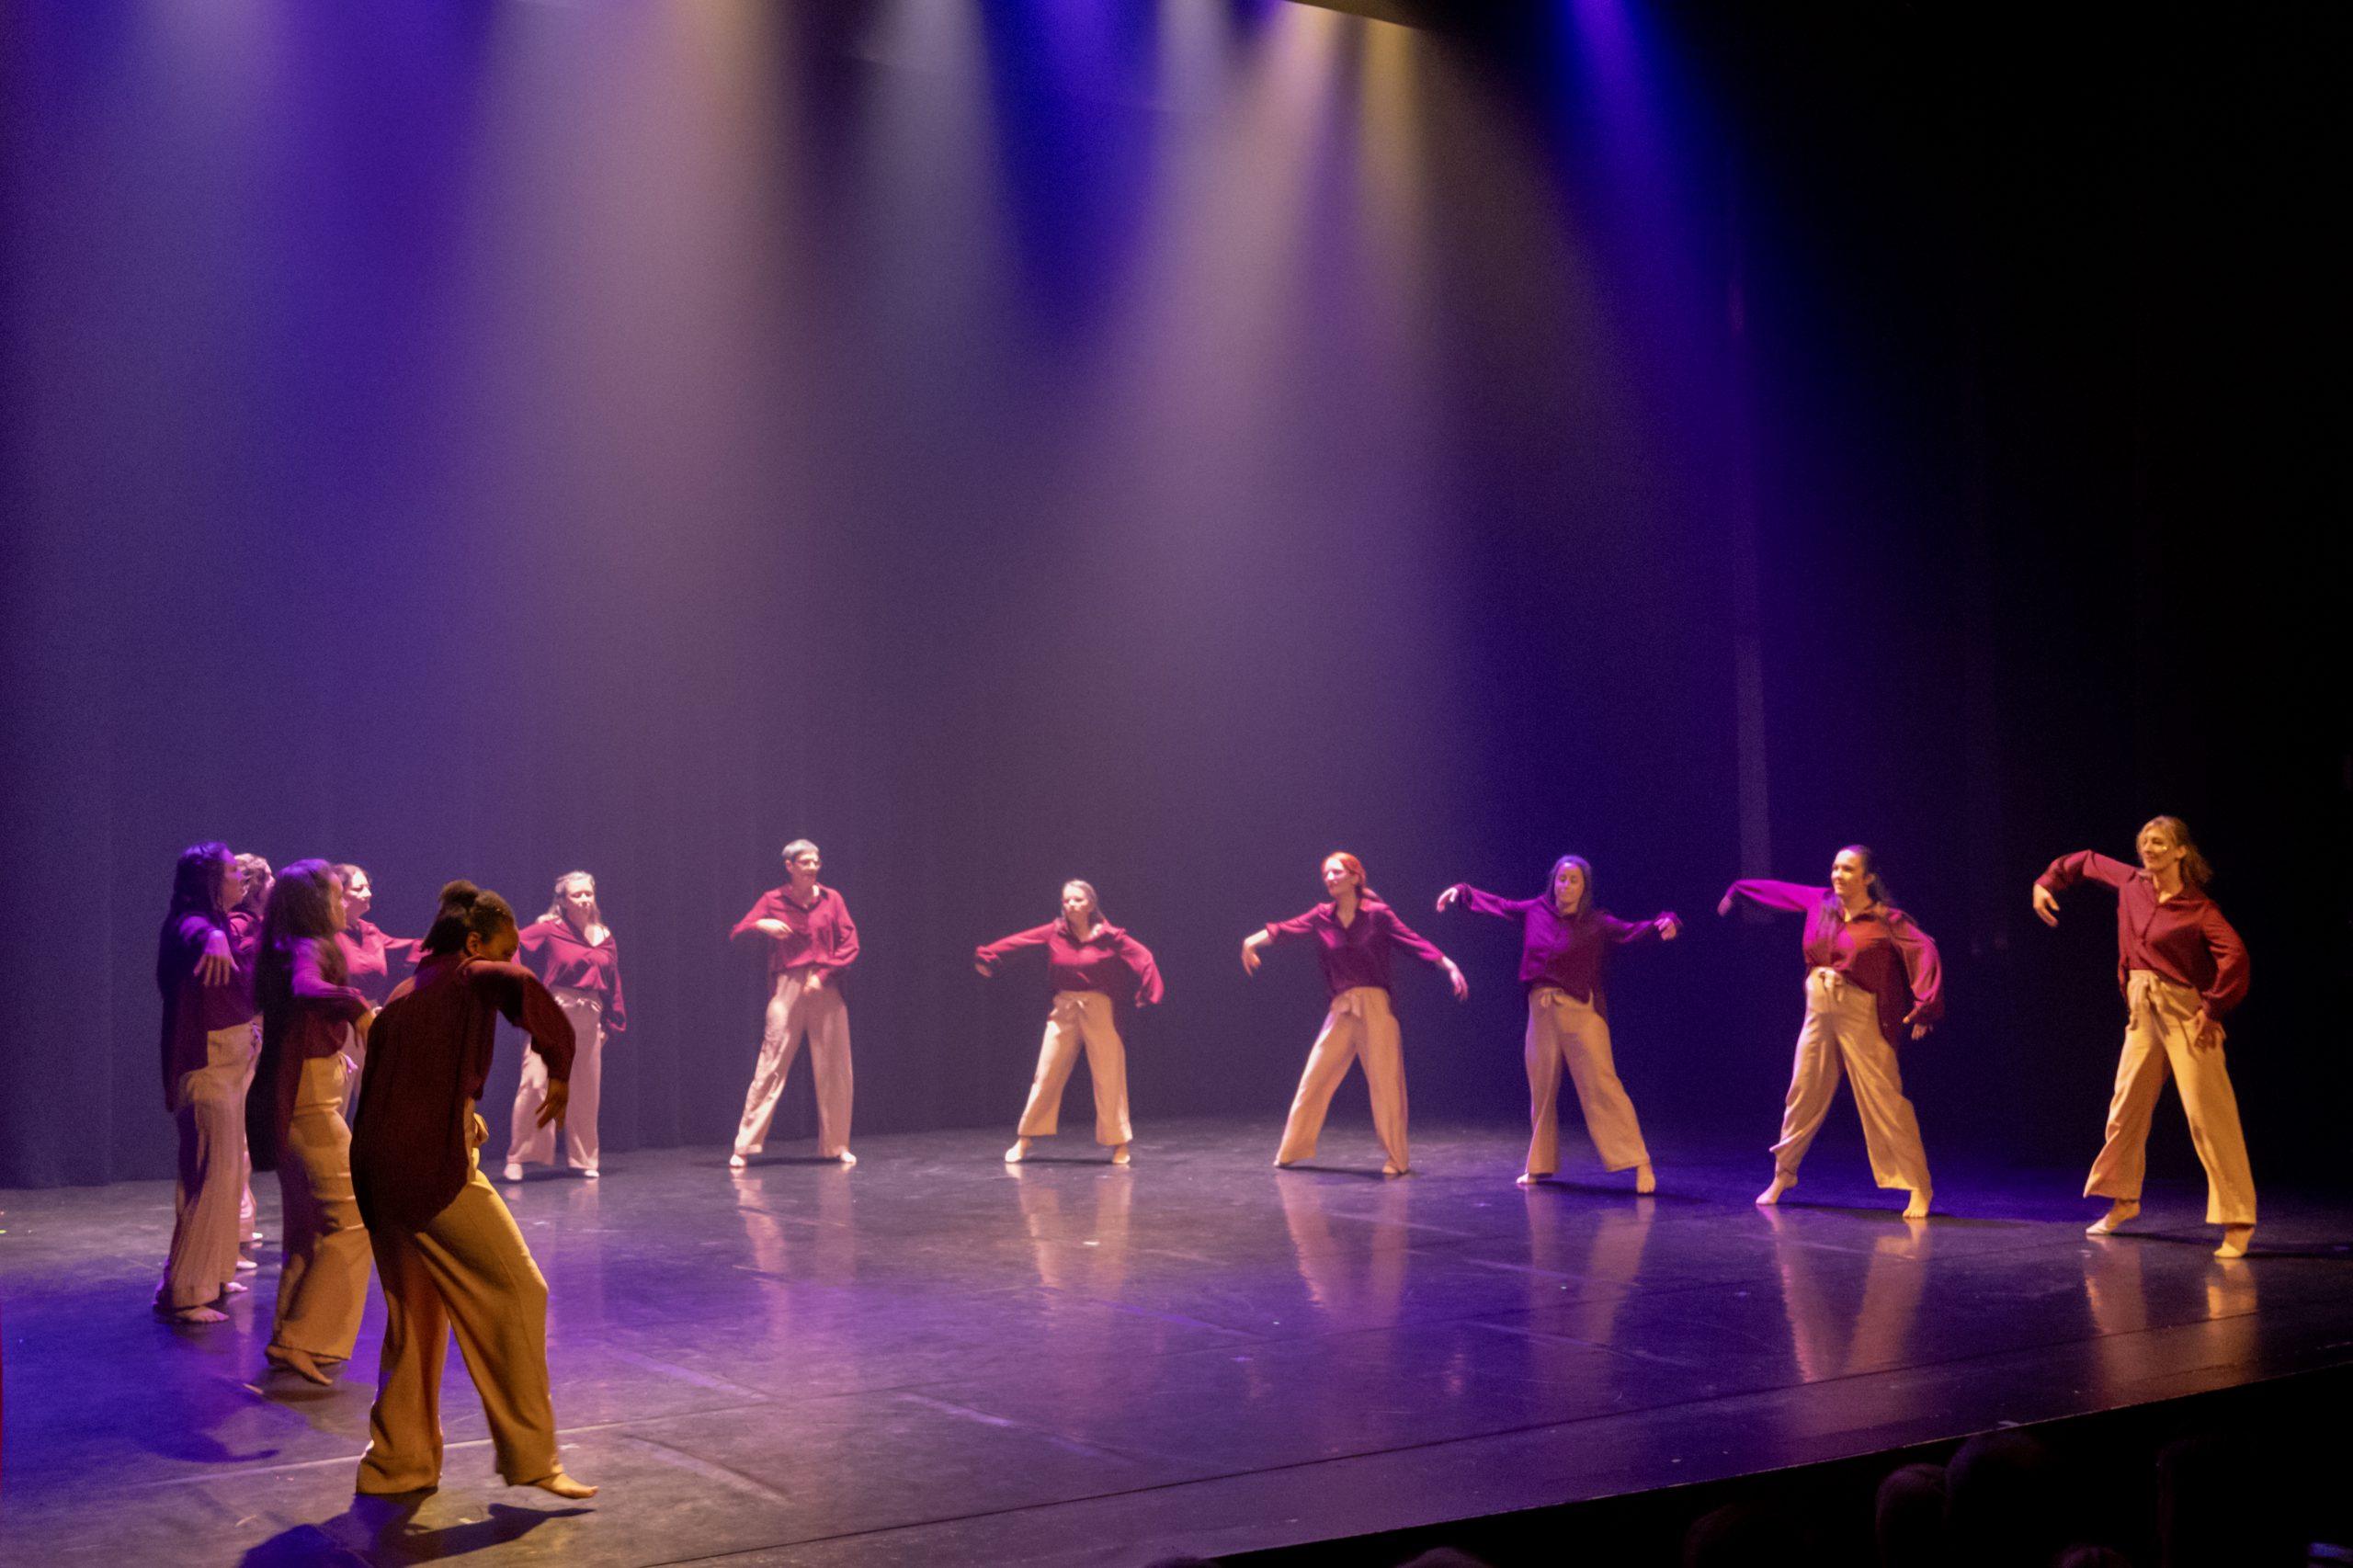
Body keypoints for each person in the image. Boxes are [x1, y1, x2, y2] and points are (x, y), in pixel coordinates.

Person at [348, 881, 593, 1500]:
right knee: (519, 1290)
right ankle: (533, 1458)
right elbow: (516, 984)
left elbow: (397, 1089)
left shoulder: (405, 993)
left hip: (379, 1172)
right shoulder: (467, 976)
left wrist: (460, 1114)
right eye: (504, 949)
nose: (511, 960)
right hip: (429, 1169)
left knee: (415, 1319)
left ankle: (397, 1465)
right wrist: (560, 1064)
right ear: (475, 944)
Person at [2034, 816, 2255, 1257]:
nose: (2149, 849)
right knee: (2126, 1105)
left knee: (2207, 1114)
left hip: (2185, 1012)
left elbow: (2236, 956)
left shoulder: (2198, 908)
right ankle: (2124, 1200)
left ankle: (2237, 1220)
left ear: (2180, 852)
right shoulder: (2131, 883)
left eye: (2159, 843)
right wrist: (2047, 882)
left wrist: (2212, 1007)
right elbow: (2086, 861)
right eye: (2145, 842)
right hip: (2141, 1008)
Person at [1719, 846, 1941, 1219]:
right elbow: (1779, 892)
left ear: (1868, 878)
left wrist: (1925, 1006)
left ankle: (1918, 1186)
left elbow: (1925, 950)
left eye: (1848, 869)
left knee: (1884, 1100)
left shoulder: (1886, 919)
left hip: (1861, 1014)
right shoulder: (1820, 902)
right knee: (1802, 1094)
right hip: (1818, 1012)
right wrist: (1738, 891)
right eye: (1835, 867)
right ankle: (1784, 1174)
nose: (1837, 875)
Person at [1438, 856, 1678, 1191]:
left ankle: (1639, 1163)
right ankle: (1539, 1165)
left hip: (1580, 1012)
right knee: (1541, 1088)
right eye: (1561, 879)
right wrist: (1464, 893)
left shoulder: (1596, 922)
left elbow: (1633, 931)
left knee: (1602, 1087)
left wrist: (1666, 922)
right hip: (1541, 1011)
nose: (1565, 885)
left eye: (1573, 880)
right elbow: (1501, 906)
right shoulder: (1536, 910)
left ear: (1584, 887)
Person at [1243, 852, 1467, 1176]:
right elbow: (1285, 929)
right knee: (1314, 1078)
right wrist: (1251, 942)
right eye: (1326, 874)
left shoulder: (1377, 915)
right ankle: (1291, 1150)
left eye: (1336, 872)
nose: (1330, 878)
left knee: (1386, 1084)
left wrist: (1449, 966)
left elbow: (1412, 941)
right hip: (1342, 1008)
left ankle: (1397, 1160)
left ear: (1355, 876)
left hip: (1375, 1006)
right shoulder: (1322, 916)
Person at [254, 859, 378, 1383]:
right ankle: (304, 1337)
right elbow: (307, 986)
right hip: (308, 1101)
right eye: (334, 893)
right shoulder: (309, 946)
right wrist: (355, 1004)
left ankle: (291, 1335)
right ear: (314, 903)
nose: (342, 902)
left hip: (300, 1093)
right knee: (353, 1217)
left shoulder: (287, 943)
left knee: (308, 1226)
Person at [977, 881, 1163, 1166]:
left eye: (1077, 900)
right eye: (1066, 901)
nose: (1071, 905)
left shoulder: (1110, 937)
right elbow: (1020, 941)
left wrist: (1148, 992)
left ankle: (1119, 1143)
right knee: (1046, 1073)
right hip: (1064, 1007)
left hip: (1099, 1008)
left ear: (1091, 904)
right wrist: (989, 957)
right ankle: (1025, 1139)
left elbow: (1144, 958)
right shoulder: (1055, 932)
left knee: (1109, 1075)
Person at [153, 843, 257, 1324]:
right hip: (207, 1065)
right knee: (210, 1174)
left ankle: (211, 1273)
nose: (241, 877)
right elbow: (192, 931)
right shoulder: (191, 925)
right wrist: (212, 937)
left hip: (229, 1064)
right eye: (233, 870)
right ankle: (185, 1292)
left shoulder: (221, 923)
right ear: (211, 880)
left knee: (225, 1173)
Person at [729, 839, 859, 1169]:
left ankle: (837, 1145)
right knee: (770, 1064)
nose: (813, 867)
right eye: (805, 862)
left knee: (835, 1068)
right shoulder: (773, 900)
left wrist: (824, 975)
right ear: (789, 866)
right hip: (788, 986)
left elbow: (850, 943)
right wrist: (762, 925)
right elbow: (738, 933)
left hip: (825, 986)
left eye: (816, 861)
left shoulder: (832, 899)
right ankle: (744, 1145)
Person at [504, 872, 626, 1182]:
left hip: (591, 1015)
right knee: (535, 1082)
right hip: (555, 1012)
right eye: (577, 895)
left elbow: (613, 982)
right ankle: (519, 1156)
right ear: (563, 901)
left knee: (585, 1091)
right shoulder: (551, 929)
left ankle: (583, 1159)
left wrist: (611, 1023)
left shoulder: (605, 936)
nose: (584, 900)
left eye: (588, 894)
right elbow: (512, 944)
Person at [333, 863, 416, 1121]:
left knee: (381, 1100)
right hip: (340, 1023)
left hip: (371, 1020)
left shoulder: (370, 931)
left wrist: (452, 943)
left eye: (368, 887)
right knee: (336, 1101)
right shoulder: (326, 934)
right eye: (359, 888)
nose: (368, 893)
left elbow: (410, 949)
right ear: (338, 893)